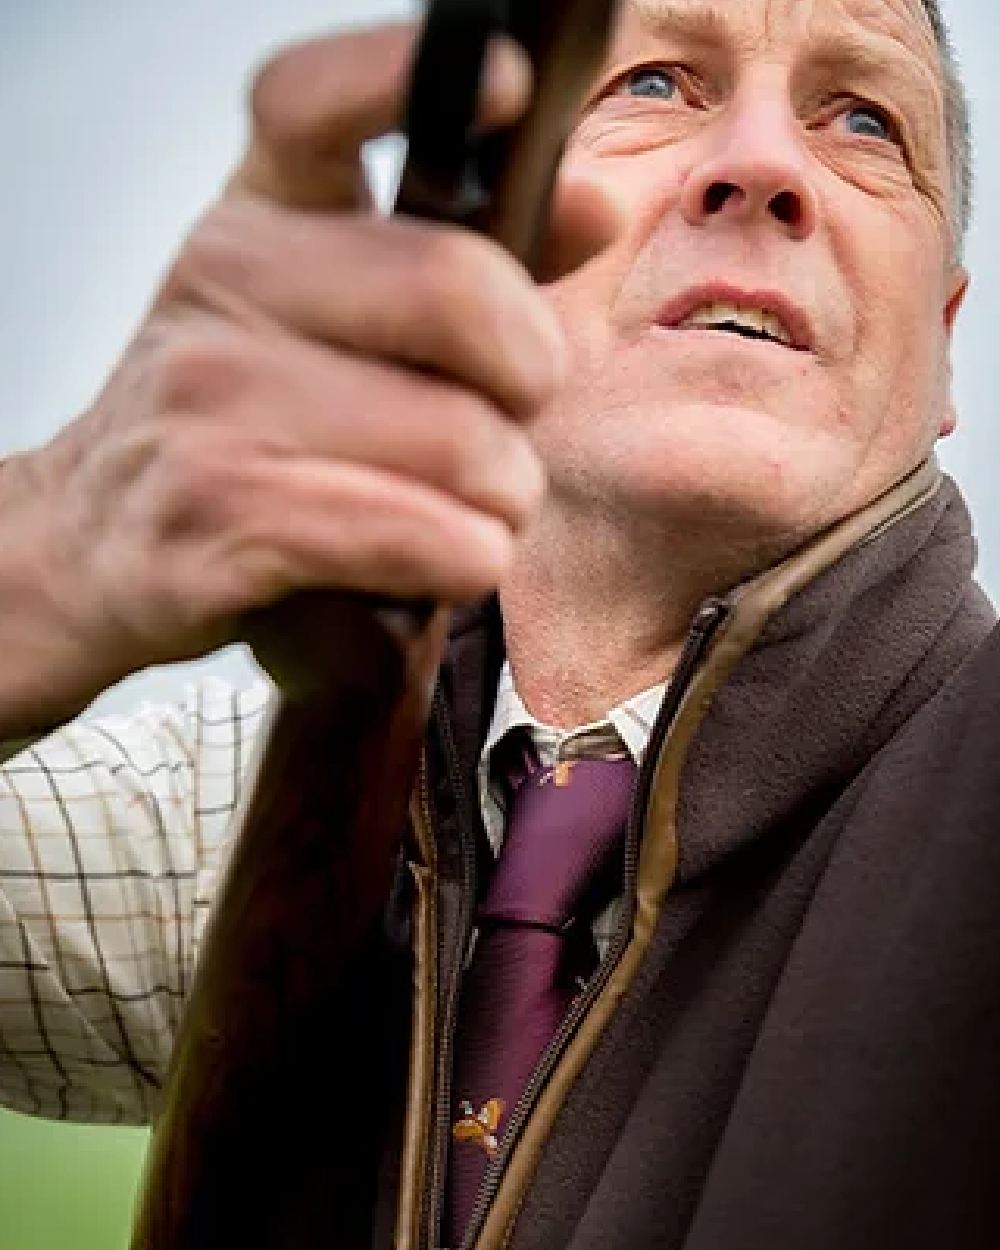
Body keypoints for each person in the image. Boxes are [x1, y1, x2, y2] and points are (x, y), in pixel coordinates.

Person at [1, 0, 996, 1246]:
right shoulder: (253, 810)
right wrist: (44, 555)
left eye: (862, 119)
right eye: (655, 84)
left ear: (946, 346)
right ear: (487, 259)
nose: (762, 163)